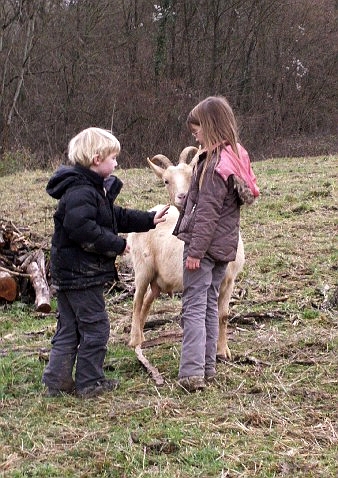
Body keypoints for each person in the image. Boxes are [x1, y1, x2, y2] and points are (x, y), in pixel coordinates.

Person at [42, 127, 169, 398]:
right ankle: (90, 382)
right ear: (97, 159)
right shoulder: (81, 192)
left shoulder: (90, 189)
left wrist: (148, 220)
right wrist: (118, 244)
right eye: (114, 158)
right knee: (95, 326)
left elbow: (114, 216)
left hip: (70, 274)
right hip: (80, 275)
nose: (117, 163)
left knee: (69, 327)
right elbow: (84, 231)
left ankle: (57, 380)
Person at [173, 96, 259, 392]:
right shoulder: (234, 158)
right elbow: (222, 209)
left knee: (194, 308)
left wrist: (195, 252)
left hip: (204, 249)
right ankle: (207, 368)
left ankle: (191, 373)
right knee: (210, 304)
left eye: (196, 129)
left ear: (210, 127)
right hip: (224, 248)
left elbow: (207, 214)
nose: (194, 135)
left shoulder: (212, 165)